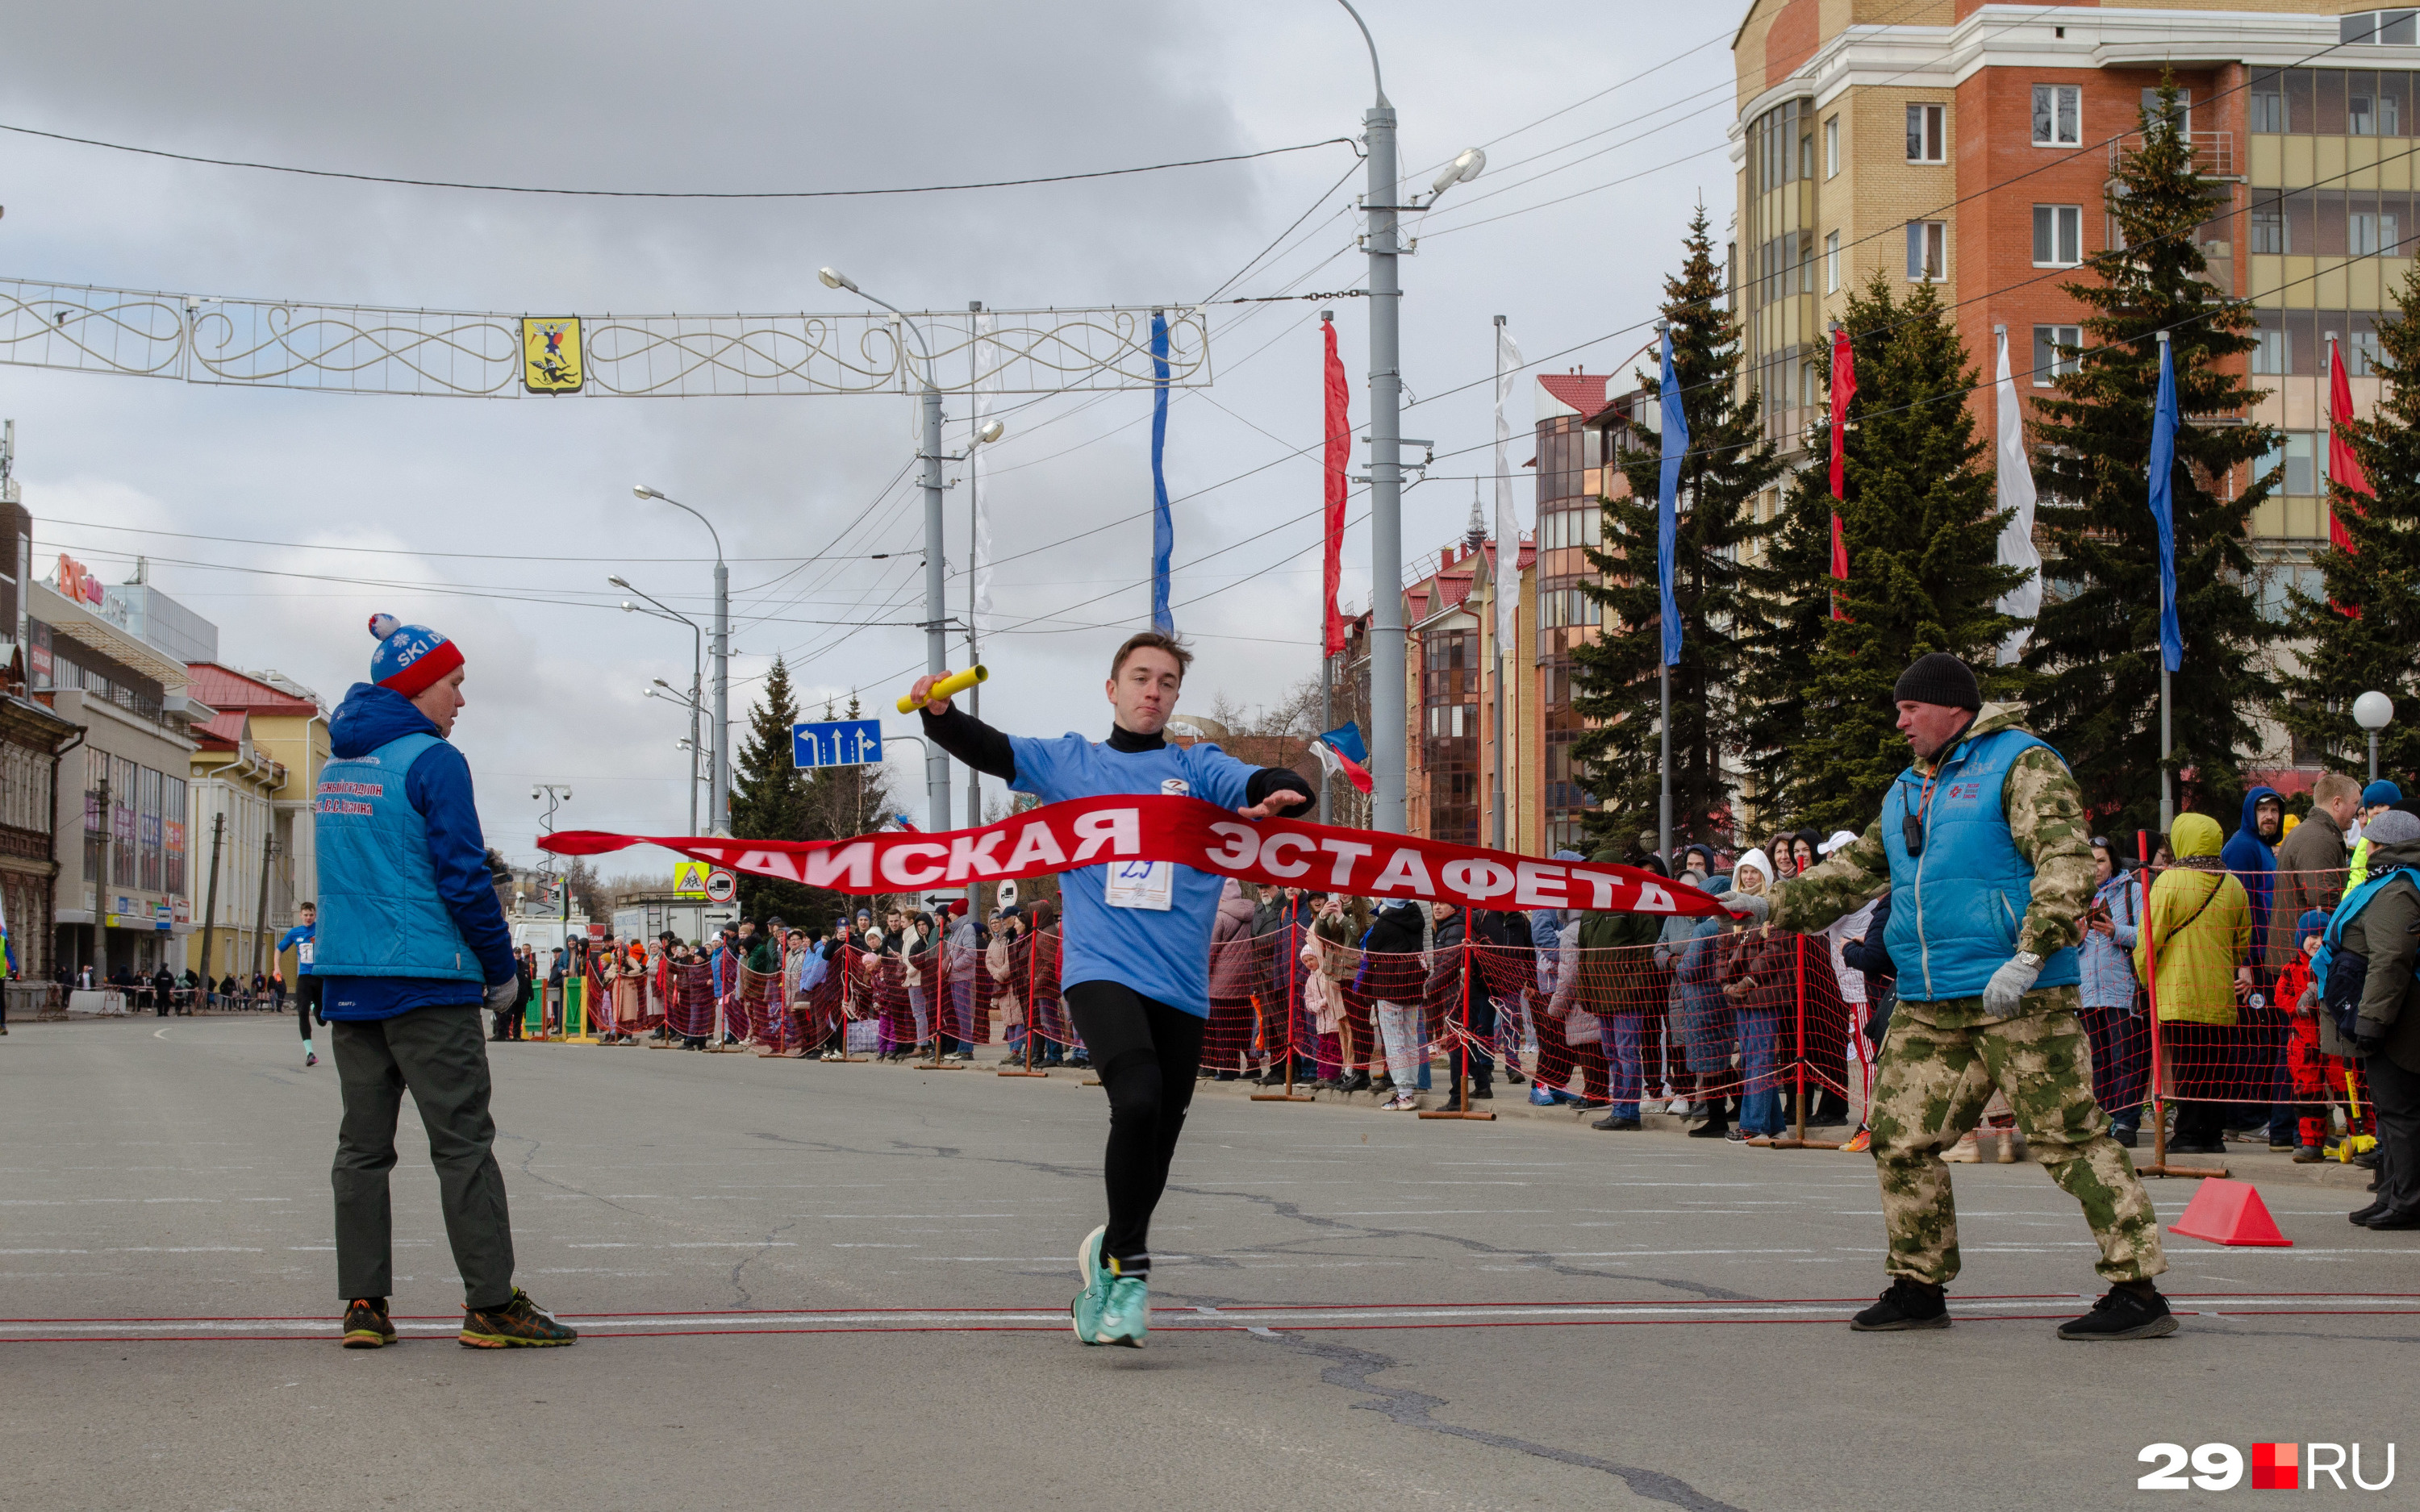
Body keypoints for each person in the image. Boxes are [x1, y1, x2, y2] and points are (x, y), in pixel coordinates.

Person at [911, 631, 1313, 1347]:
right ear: (1112, 688)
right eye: (1139, 677)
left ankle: (1107, 1257)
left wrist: (1283, 790)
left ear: (1176, 695)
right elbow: (995, 748)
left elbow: (1257, 783)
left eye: (1165, 681)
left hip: (1181, 982)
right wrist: (936, 717)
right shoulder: (1074, 762)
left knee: (1157, 1139)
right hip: (1099, 966)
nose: (1152, 690)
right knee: (1137, 1097)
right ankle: (1130, 1267)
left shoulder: (1196, 767)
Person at [1771, 652, 2175, 1340]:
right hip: (1931, 997)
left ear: (1951, 707)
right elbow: (1856, 871)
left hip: (2018, 992)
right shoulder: (1905, 788)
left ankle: (2138, 1289)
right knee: (1898, 1140)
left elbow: (2066, 858)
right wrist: (1771, 902)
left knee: (2069, 1137)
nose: (1898, 722)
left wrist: (2032, 951)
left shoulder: (2022, 763)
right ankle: (1918, 1285)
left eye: (1908, 709)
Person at [317, 614, 573, 1350]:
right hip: (429, 983)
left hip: (350, 985)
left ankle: (364, 1305)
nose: (462, 700)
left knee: (361, 1150)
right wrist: (503, 971)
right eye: (455, 684)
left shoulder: (339, 767)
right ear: (417, 687)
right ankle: (491, 1304)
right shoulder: (432, 762)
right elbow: (463, 881)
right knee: (462, 1144)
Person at [2134, 813, 2254, 1155]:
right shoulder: (2233, 885)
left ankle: (2187, 1134)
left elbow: (2149, 939)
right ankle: (2211, 1135)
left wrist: (2143, 977)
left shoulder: (2169, 883)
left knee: (2187, 1065)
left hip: (2179, 992)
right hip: (2219, 995)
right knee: (2215, 1066)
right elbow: (2241, 941)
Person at [2325, 809, 2420, 1227]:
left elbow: (2391, 959)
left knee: (2400, 1112)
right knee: (2391, 1111)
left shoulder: (2398, 889)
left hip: (2399, 1019)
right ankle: (2393, 1192)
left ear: (2385, 846)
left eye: (2371, 843)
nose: (2366, 850)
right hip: (2391, 1014)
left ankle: (2408, 1200)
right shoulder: (2392, 884)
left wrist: (2372, 1021)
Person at [2078, 841, 2147, 1147]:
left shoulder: (2132, 892)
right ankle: (2104, 1120)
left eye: (2101, 861)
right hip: (2087, 993)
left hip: (2122, 991)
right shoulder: (2077, 897)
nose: (2096, 868)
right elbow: (2068, 948)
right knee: (2097, 1061)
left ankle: (2126, 1123)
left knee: (2125, 1059)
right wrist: (2076, 937)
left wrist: (2116, 931)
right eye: (2090, 861)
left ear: (2112, 862)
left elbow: (2148, 935)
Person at [278, 902, 321, 1065]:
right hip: (304, 977)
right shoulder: (294, 933)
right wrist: (276, 968)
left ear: (315, 915)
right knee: (301, 1011)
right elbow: (279, 949)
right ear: (300, 915)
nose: (308, 918)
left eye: (311, 915)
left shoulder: (321, 929)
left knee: (323, 1020)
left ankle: (314, 1007)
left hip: (321, 977)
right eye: (305, 915)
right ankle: (310, 1053)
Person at [2347, 780, 2404, 887]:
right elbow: (2359, 869)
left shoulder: (2405, 828)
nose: (2376, 811)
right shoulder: (2369, 835)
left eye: (2381, 805)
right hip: (2369, 887)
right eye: (2371, 808)